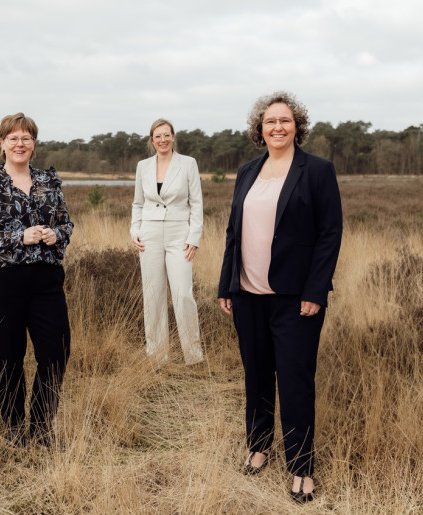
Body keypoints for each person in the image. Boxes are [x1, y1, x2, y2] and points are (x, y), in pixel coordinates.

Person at [217, 92, 343, 503]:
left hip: (295, 299)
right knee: (256, 375)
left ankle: (301, 466)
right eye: (270, 121)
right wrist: (226, 284)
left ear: (297, 126)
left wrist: (315, 291)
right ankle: (258, 447)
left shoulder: (318, 171)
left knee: (294, 380)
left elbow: (329, 234)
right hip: (248, 294)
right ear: (260, 128)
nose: (277, 127)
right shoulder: (247, 171)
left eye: (285, 121)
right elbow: (233, 232)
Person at [0, 113, 74, 448]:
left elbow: (66, 224)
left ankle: (42, 427)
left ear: (34, 144)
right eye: (13, 137)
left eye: (26, 138)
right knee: (10, 356)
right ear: (2, 143)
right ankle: (13, 429)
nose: (20, 143)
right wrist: (20, 237)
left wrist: (54, 234)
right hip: (0, 282)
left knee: (57, 351)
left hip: (45, 279)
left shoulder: (49, 182)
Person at [130, 119, 204, 365]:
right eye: (157, 136)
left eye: (167, 135)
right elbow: (138, 203)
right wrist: (135, 230)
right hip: (149, 234)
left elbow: (197, 203)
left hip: (179, 236)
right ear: (152, 140)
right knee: (153, 295)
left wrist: (194, 237)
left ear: (173, 137)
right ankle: (157, 356)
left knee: (183, 294)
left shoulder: (188, 164)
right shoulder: (143, 166)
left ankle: (193, 356)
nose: (162, 140)